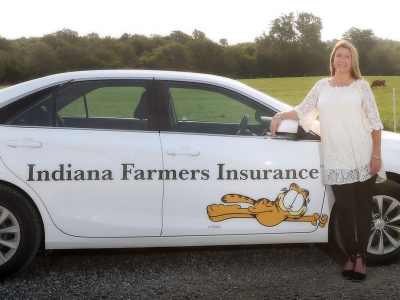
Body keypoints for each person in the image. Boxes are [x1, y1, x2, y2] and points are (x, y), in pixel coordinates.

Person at [269, 40, 386, 282]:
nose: (342, 60)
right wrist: (280, 115)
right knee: (345, 209)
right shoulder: (322, 86)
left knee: (363, 208)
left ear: (353, 60)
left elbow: (375, 122)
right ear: (332, 59)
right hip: (335, 155)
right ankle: (351, 255)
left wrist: (376, 154)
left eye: (347, 56)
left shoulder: (361, 87)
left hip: (363, 154)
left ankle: (360, 258)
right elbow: (303, 110)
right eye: (338, 55)